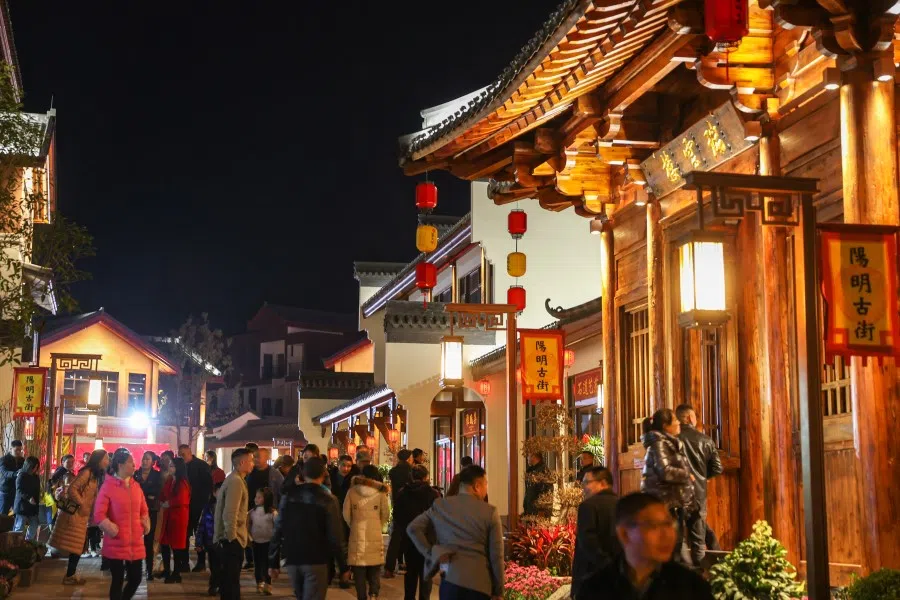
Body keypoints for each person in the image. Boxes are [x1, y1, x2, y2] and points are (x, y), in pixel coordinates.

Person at [575, 493, 713, 600]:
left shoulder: (692, 587)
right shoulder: (595, 589)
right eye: (653, 526)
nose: (667, 534)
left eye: (668, 524)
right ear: (624, 534)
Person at [407, 465, 504, 600]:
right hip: (480, 584)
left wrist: (431, 553)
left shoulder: (441, 505)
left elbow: (413, 528)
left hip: (450, 581)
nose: (486, 489)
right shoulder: (490, 512)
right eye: (485, 484)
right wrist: (498, 591)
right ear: (477, 486)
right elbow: (496, 555)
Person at [269, 457, 348, 600]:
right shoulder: (328, 500)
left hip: (293, 557)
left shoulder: (289, 497)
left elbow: (278, 529)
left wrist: (273, 562)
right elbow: (335, 535)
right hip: (316, 558)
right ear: (324, 475)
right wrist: (343, 566)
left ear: (302, 475)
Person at [94, 448, 150, 600]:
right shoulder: (108, 486)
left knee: (136, 578)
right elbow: (99, 514)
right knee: (117, 580)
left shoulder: (136, 486)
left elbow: (144, 509)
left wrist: (145, 522)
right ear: (120, 465)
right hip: (116, 541)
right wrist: (112, 529)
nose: (134, 465)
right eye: (131, 463)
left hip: (135, 542)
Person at [641, 409, 695, 563]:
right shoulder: (659, 444)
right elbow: (664, 471)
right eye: (675, 420)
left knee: (676, 546)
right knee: (672, 548)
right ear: (666, 426)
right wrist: (687, 475)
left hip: (671, 503)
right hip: (664, 504)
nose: (679, 422)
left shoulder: (668, 442)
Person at [50, 448, 109, 585]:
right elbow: (72, 488)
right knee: (77, 545)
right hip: (77, 514)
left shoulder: (94, 474)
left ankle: (70, 575)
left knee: (78, 546)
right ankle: (70, 576)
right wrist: (82, 504)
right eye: (106, 458)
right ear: (99, 460)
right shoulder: (87, 472)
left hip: (83, 515)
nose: (107, 461)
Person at [675, 404, 723, 566]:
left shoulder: (671, 440)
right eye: (695, 416)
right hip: (698, 495)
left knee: (678, 538)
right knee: (698, 540)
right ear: (689, 417)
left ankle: (684, 574)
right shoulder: (705, 440)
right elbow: (717, 468)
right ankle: (700, 576)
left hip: (676, 495)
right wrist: (703, 477)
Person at [393, 465, 440, 600]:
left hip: (409, 538)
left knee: (411, 572)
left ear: (411, 477)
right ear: (426, 477)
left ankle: (409, 597)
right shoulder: (433, 494)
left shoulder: (403, 493)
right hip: (428, 539)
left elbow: (397, 515)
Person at [343, 464, 390, 600]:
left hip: (357, 533)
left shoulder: (352, 491)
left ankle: (361, 596)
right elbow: (385, 514)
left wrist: (354, 524)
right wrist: (378, 525)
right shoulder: (381, 493)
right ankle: (374, 594)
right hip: (374, 532)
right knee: (375, 567)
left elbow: (346, 513)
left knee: (359, 569)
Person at [571, 466, 619, 598]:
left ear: (603, 483)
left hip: (590, 578)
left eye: (587, 482)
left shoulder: (588, 506)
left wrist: (604, 564)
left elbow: (587, 541)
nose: (583, 487)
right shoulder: (621, 504)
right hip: (616, 579)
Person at [216, 447, 253, 600]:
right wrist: (232, 537)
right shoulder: (236, 481)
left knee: (229, 581)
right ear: (242, 462)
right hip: (232, 539)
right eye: (250, 461)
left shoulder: (233, 479)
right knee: (231, 583)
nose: (252, 464)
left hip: (231, 538)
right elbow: (230, 512)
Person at [245, 446, 284, 570]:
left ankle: (270, 563)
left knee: (268, 537)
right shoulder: (249, 472)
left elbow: (281, 491)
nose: (255, 459)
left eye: (258, 457)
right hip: (251, 509)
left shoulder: (274, 474)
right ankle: (251, 559)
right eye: (254, 457)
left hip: (269, 510)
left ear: (266, 458)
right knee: (250, 534)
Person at [179, 443, 213, 572]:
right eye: (180, 455)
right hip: (185, 506)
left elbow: (208, 486)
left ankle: (201, 561)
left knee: (201, 535)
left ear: (189, 452)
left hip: (199, 505)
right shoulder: (180, 467)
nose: (182, 457)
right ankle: (184, 562)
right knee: (185, 535)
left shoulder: (201, 466)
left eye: (184, 455)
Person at [160, 456, 191, 583]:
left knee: (177, 546)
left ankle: (176, 573)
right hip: (169, 515)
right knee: (165, 543)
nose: (170, 467)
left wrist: (168, 503)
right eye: (170, 465)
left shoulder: (182, 482)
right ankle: (167, 571)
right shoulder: (170, 480)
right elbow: (163, 493)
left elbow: (182, 500)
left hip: (178, 517)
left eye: (172, 466)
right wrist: (162, 501)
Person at [384, 449, 413, 579]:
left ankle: (389, 568)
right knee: (411, 538)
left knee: (395, 539)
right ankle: (409, 566)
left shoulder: (393, 471)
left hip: (398, 506)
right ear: (408, 458)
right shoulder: (411, 471)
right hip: (411, 507)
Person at [134, 451, 162, 580]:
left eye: (147, 459)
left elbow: (157, 492)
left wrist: (146, 495)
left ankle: (149, 571)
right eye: (143, 459)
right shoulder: (135, 474)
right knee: (134, 541)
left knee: (149, 541)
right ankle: (132, 570)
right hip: (134, 512)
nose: (144, 461)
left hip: (150, 512)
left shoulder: (156, 475)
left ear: (152, 462)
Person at [196, 480, 223, 596]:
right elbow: (201, 525)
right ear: (214, 493)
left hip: (222, 542)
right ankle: (214, 585)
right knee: (213, 565)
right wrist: (198, 542)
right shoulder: (208, 507)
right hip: (210, 542)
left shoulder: (228, 507)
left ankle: (218, 585)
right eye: (219, 491)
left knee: (221, 565)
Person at [249, 487, 276, 595]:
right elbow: (248, 523)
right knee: (258, 564)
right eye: (256, 497)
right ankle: (259, 583)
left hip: (268, 542)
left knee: (267, 564)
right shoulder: (252, 512)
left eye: (259, 497)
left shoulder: (272, 513)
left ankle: (268, 584)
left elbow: (277, 526)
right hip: (256, 541)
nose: (256, 499)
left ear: (266, 499)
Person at [13, 456, 40, 540]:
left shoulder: (36, 477)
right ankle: (15, 544)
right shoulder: (21, 475)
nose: (36, 469)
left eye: (36, 467)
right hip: (22, 505)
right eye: (34, 467)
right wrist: (29, 498)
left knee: (34, 525)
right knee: (19, 527)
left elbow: (37, 490)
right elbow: (19, 490)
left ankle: (28, 542)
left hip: (33, 506)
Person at [0, 440, 25, 515]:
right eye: (16, 450)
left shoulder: (22, 460)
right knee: (3, 515)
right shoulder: (4, 460)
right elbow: (5, 473)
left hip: (17, 491)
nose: (18, 452)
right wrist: (16, 474)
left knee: (17, 514)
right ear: (11, 449)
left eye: (20, 450)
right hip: (6, 491)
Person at [524, 452, 551, 517]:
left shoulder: (543, 471)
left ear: (534, 456)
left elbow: (546, 492)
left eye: (528, 455)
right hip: (530, 511)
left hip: (539, 513)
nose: (527, 458)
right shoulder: (531, 471)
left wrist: (542, 510)